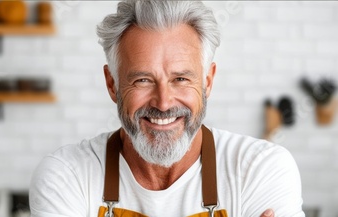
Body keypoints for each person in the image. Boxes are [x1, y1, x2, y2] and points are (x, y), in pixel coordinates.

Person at [30, 0, 304, 216]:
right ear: (112, 84)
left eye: (181, 79)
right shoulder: (68, 174)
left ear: (207, 82)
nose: (163, 102)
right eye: (143, 80)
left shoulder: (262, 168)